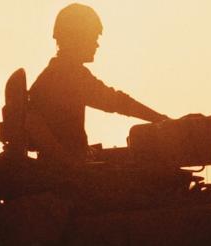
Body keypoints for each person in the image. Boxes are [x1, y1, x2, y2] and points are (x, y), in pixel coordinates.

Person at [27, 3, 168, 168]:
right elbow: (117, 102)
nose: (96, 45)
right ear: (76, 37)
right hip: (69, 172)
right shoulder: (68, 75)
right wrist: (162, 120)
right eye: (92, 37)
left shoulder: (56, 73)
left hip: (65, 166)